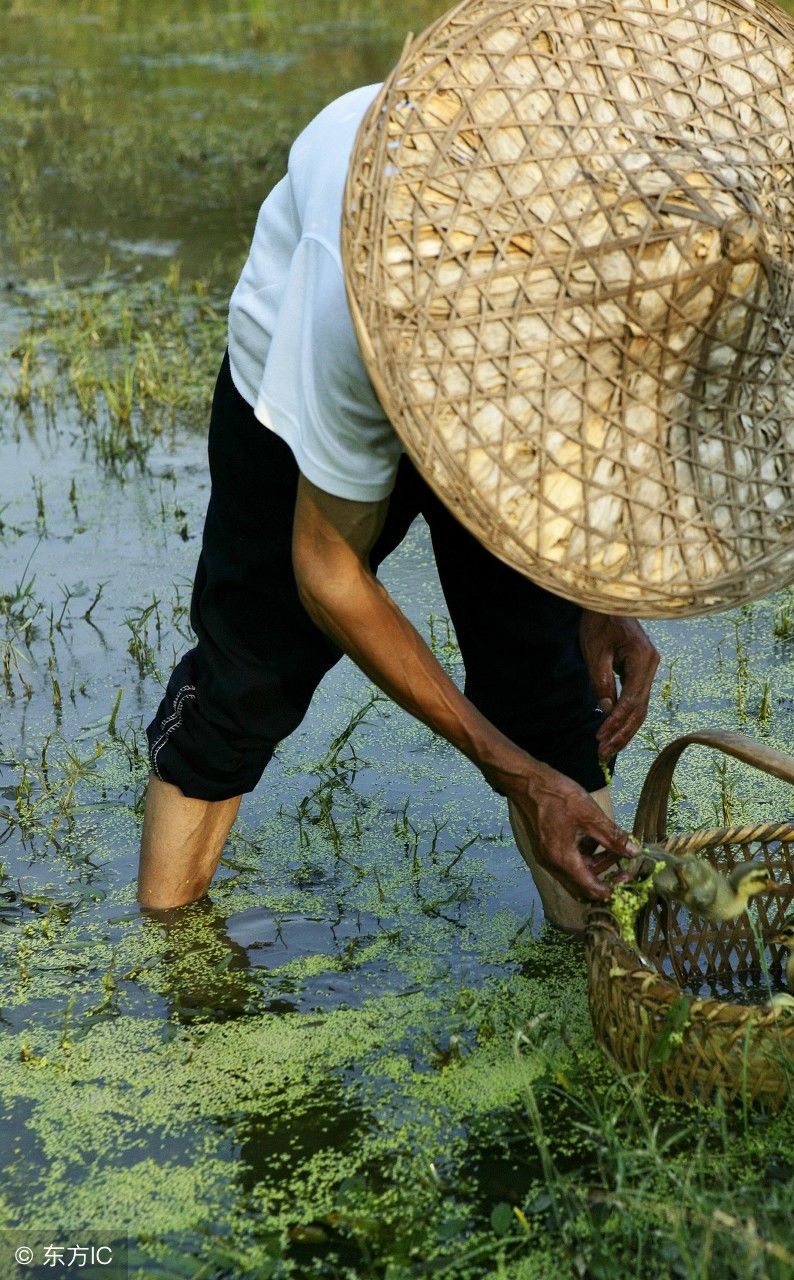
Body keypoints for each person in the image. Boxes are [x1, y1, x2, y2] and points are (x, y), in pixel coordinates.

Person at [137, 82, 660, 931]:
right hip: (300, 374)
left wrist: (595, 600)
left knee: (546, 678)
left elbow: (579, 446)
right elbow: (328, 577)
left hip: (481, 360)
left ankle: (598, 963)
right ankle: (167, 952)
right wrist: (514, 774)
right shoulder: (353, 296)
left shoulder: (596, 265)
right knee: (249, 673)